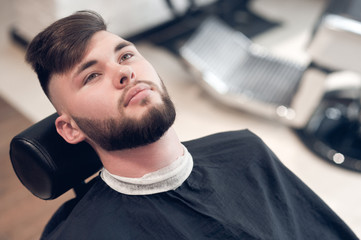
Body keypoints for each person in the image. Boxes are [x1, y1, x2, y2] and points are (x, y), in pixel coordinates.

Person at [25, 10, 357, 240]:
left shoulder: (245, 150)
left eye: (125, 56)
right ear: (70, 129)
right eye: (92, 75)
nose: (124, 72)